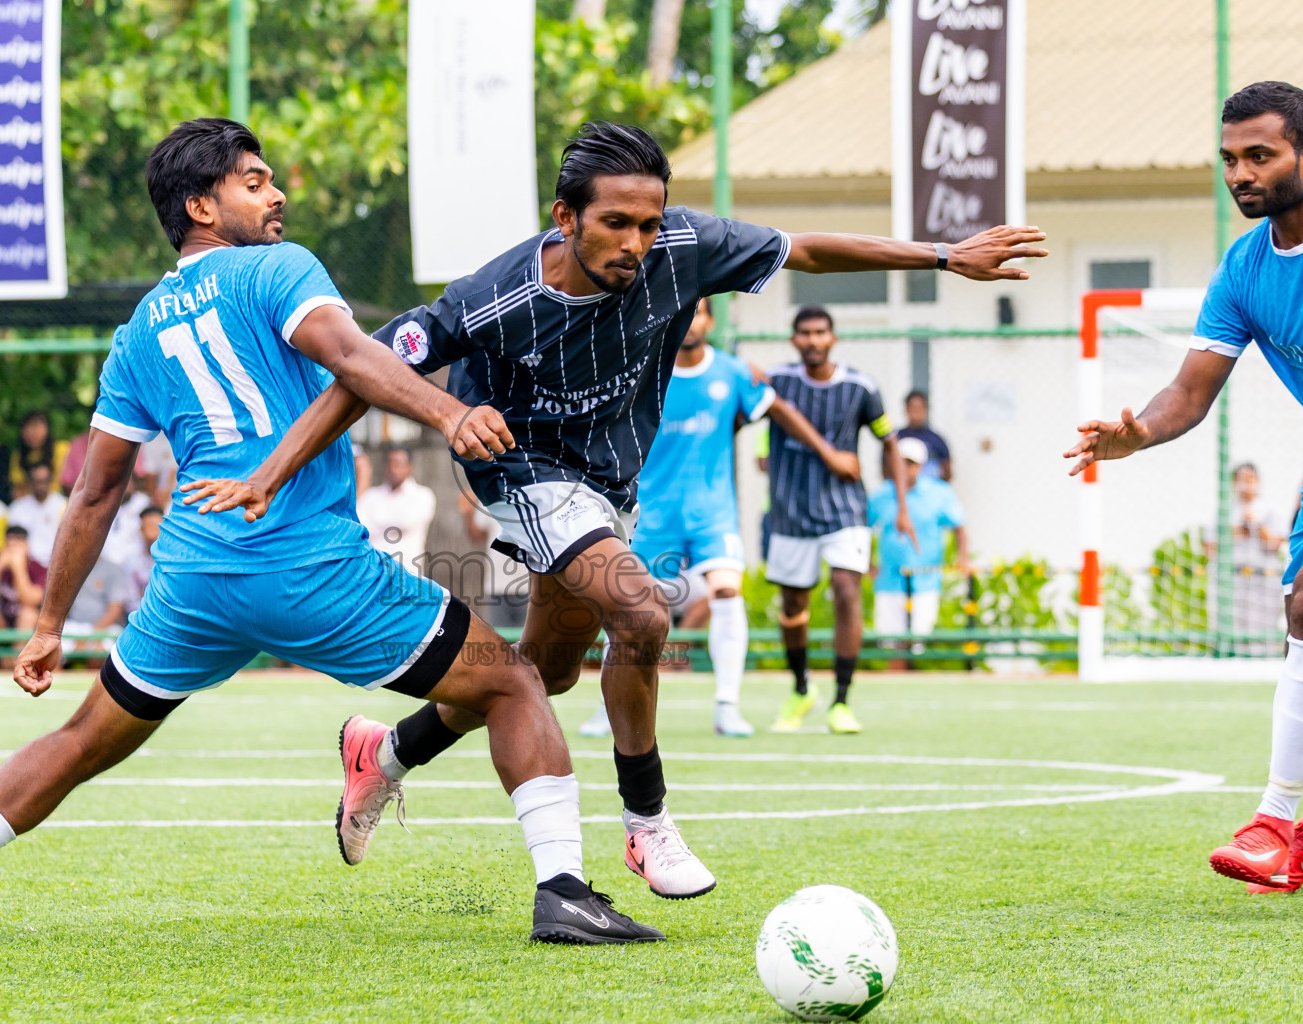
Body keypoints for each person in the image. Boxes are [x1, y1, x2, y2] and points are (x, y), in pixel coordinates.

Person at [0, 117, 659, 946]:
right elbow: (352, 357)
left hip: (194, 578)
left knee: (82, 739)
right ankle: (563, 893)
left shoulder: (138, 331)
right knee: (512, 681)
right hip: (309, 567)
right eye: (254, 181)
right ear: (201, 204)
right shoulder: (277, 269)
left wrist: (48, 626)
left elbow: (95, 493)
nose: (277, 193)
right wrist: (450, 411)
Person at [199, 121, 1043, 900]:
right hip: (522, 471)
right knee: (640, 613)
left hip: (607, 483)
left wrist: (942, 256)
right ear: (565, 216)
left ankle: (382, 753)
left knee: (543, 674)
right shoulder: (492, 297)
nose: (637, 243)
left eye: (649, 222)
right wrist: (271, 472)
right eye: (615, 224)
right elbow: (363, 370)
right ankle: (648, 826)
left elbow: (807, 250)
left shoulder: (683, 245)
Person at [1064, 81, 1303, 896]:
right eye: (1231, 159)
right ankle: (1278, 826)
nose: (1242, 173)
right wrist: (1138, 435)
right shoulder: (1243, 269)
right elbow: (1189, 391)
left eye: (1261, 155)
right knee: (1302, 608)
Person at [578, 297, 861, 738]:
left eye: (699, 312)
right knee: (626, 607)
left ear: (710, 320)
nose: (691, 321)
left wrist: (828, 453)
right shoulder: (647, 370)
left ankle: (727, 707)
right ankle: (606, 707)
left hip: (713, 514)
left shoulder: (733, 373)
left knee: (727, 594)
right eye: (682, 313)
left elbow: (778, 411)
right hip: (652, 514)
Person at [765, 306, 914, 736]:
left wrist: (901, 506)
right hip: (790, 510)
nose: (813, 340)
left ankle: (842, 700)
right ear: (794, 340)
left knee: (847, 589)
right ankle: (800, 689)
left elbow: (890, 442)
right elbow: (746, 417)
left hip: (845, 510)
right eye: (805, 333)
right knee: (794, 605)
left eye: (820, 332)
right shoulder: (777, 382)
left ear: (833, 338)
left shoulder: (861, 387)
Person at [869, 438, 969, 657]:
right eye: (900, 462)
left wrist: (962, 558)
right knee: (890, 646)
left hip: (926, 581)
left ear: (921, 465)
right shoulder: (881, 494)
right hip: (889, 582)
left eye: (911, 463)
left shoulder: (939, 493)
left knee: (918, 643)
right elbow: (864, 528)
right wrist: (868, 564)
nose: (905, 468)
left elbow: (959, 525)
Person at [1205, 462, 1285, 640]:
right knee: (1229, 629)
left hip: (1262, 582)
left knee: (1262, 631)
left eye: (1250, 479)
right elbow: (1208, 548)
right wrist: (1236, 533)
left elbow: (1277, 544)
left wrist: (1256, 525)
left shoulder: (1270, 511)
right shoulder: (1223, 512)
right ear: (1234, 483)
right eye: (1241, 480)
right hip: (1230, 582)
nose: (1245, 484)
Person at [355, 446, 436, 570]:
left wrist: (376, 521)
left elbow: (405, 521)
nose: (394, 469)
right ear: (385, 467)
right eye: (391, 463)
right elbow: (360, 528)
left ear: (409, 466)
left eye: (399, 464)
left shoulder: (423, 495)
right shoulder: (371, 495)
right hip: (375, 574)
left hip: (409, 575)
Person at [457, 492, 528, 629]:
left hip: (528, 587)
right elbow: (477, 536)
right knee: (500, 643)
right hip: (497, 586)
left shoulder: (531, 494)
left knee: (531, 644)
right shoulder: (491, 496)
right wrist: (467, 512)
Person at [0, 526, 47, 635]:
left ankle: (18, 652)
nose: (12, 552)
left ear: (27, 545)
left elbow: (30, 601)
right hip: (1, 622)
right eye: (9, 547)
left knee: (27, 614)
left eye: (17, 547)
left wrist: (18, 568)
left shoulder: (39, 569)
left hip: (28, 624)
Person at [8, 462, 68, 565]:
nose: (40, 485)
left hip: (56, 564)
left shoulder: (65, 506)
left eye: (43, 481)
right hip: (24, 564)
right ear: (29, 482)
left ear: (51, 481)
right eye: (36, 481)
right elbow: (11, 541)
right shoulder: (17, 507)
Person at [9, 411, 71, 499]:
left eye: (36, 426)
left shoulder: (62, 449)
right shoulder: (18, 456)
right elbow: (18, 488)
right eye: (27, 428)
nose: (32, 432)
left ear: (47, 428)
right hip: (30, 505)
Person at [897, 390, 952, 481]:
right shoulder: (896, 438)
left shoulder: (936, 440)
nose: (915, 413)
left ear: (926, 410)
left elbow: (947, 471)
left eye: (919, 408)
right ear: (906, 410)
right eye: (912, 408)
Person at [123, 505, 163, 612]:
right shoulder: (132, 560)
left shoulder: (174, 560)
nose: (153, 531)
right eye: (149, 526)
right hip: (140, 616)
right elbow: (130, 599)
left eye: (157, 526)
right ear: (141, 530)